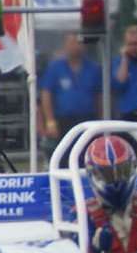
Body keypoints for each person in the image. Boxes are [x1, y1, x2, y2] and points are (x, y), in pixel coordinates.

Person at [39, 31, 103, 160]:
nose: (75, 46)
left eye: (78, 42)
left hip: (87, 120)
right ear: (65, 44)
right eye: (71, 42)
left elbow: (99, 97)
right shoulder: (55, 67)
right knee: (63, 159)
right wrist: (50, 122)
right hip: (63, 121)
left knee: (87, 158)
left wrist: (101, 121)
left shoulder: (93, 67)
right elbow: (46, 95)